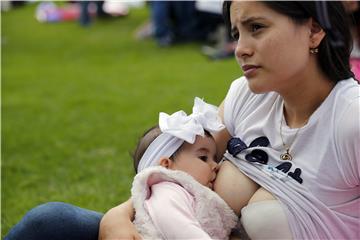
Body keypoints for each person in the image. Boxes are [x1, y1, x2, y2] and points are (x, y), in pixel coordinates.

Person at [5, 1, 359, 240]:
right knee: (51, 220)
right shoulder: (247, 96)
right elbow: (179, 156)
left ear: (314, 30)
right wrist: (120, 214)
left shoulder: (349, 120)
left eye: (257, 28)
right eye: (237, 33)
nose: (240, 48)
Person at [130, 97, 237, 239]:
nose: (216, 165)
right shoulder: (167, 192)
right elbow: (181, 229)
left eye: (214, 158)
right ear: (167, 165)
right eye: (203, 158)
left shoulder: (189, 193)